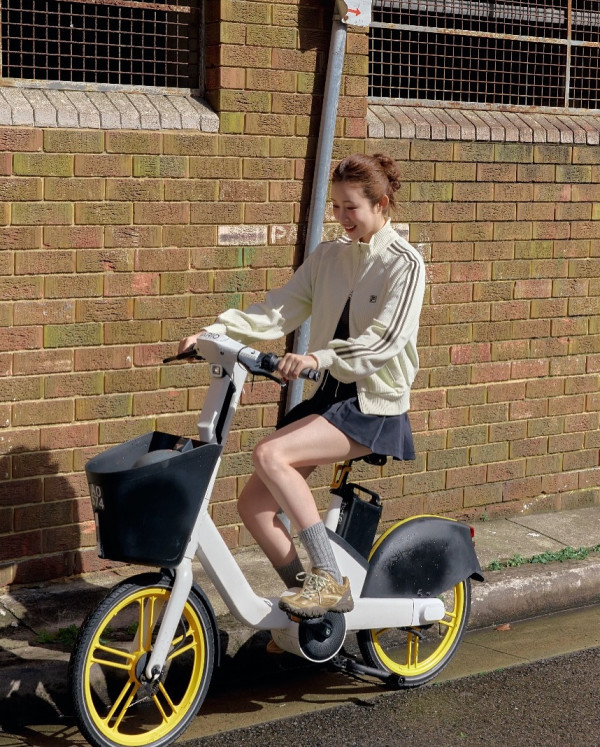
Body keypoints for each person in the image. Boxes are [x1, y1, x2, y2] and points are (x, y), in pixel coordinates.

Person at [178, 153, 425, 620]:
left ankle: (328, 579)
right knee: (254, 506)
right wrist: (216, 332)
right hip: (330, 396)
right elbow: (279, 309)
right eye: (336, 206)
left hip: (372, 403)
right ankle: (311, 614)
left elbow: (385, 341)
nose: (341, 217)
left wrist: (317, 357)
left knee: (271, 455)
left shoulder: (405, 264)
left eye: (351, 207)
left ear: (381, 204)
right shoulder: (330, 257)